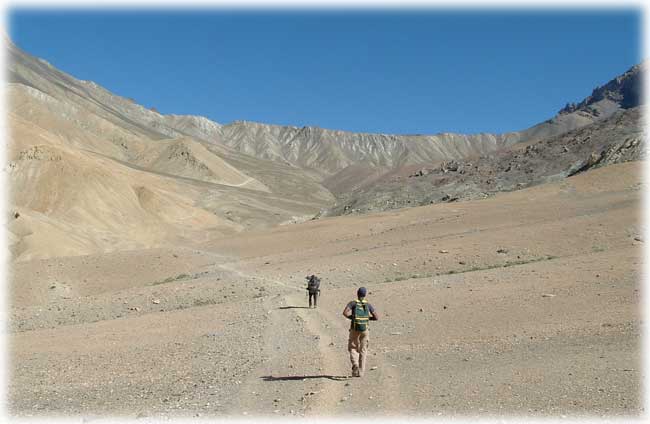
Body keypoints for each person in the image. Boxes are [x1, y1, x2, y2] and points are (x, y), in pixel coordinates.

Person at [342, 287, 379, 377]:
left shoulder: (353, 303)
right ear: (365, 294)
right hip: (365, 330)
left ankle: (355, 364)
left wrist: (352, 318)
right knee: (363, 350)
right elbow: (376, 317)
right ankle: (361, 372)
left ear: (357, 293)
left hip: (354, 329)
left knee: (352, 347)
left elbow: (345, 312)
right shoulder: (368, 305)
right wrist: (368, 319)